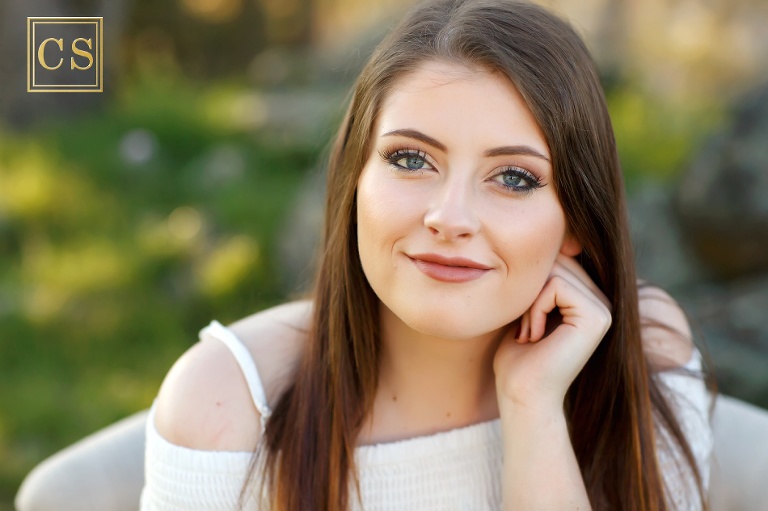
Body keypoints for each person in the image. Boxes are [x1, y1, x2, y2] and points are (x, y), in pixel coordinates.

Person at [140, 0, 713, 509]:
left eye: (513, 177)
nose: (450, 218)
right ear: (354, 183)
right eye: (411, 160)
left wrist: (532, 405)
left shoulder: (649, 355)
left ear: (576, 223)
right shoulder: (226, 404)